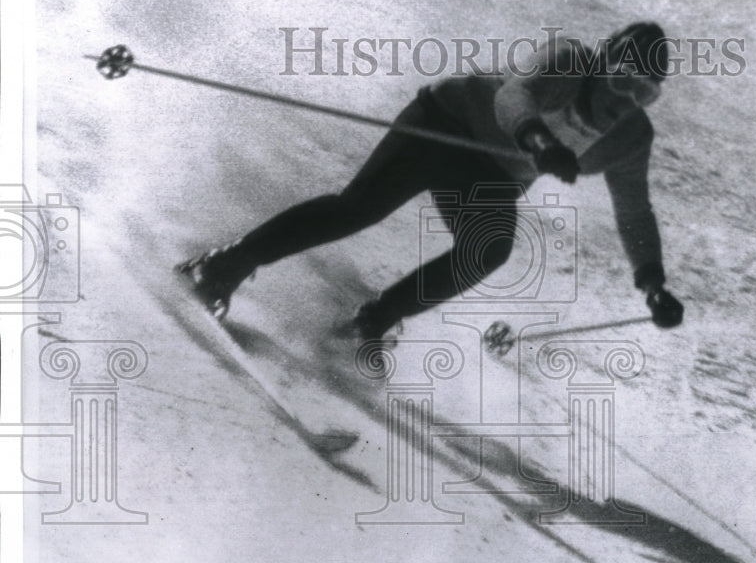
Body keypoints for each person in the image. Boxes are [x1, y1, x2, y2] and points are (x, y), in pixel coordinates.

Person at [178, 21, 685, 339]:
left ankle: (369, 324)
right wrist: (540, 144)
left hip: (492, 176)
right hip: (442, 125)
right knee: (358, 209)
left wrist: (653, 283)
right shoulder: (570, 61)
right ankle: (221, 267)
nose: (623, 102)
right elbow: (513, 98)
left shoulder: (630, 137)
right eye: (621, 79)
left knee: (487, 251)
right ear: (602, 64)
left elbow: (634, 212)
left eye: (643, 94)